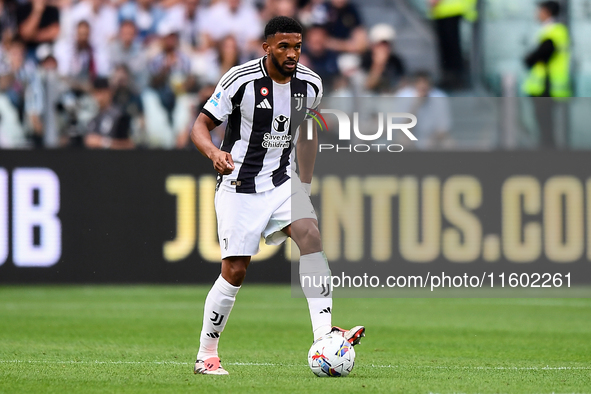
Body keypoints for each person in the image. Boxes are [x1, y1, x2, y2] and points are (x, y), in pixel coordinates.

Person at [190, 16, 365, 375]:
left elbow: (310, 132)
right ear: (266, 46)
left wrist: (305, 184)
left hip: (281, 182)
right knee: (235, 271)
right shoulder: (241, 81)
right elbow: (201, 125)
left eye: (297, 46)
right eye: (283, 46)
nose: (291, 53)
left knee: (311, 236)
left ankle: (323, 337)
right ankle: (206, 354)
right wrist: (214, 153)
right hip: (239, 185)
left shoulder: (310, 85)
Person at [522, 0, 570, 149]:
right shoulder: (552, 30)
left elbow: (543, 53)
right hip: (545, 86)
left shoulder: (554, 30)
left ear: (547, 12)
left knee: (545, 125)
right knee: (545, 124)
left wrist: (528, 59)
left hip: (546, 86)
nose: (537, 14)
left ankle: (548, 155)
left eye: (540, 11)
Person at [429, 0, 477, 88]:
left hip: (449, 9)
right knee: (451, 48)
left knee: (451, 48)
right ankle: (453, 78)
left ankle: (455, 79)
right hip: (448, 9)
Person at [84, 77, 134, 149]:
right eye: (95, 93)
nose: (98, 97)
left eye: (101, 92)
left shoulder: (120, 116)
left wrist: (103, 142)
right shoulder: (92, 116)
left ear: (110, 92)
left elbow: (129, 145)